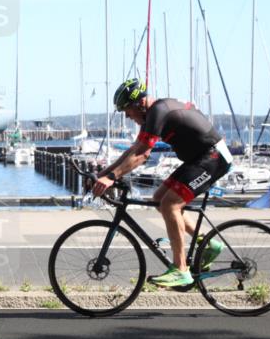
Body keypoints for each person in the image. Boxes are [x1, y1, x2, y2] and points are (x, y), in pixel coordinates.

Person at [92, 79, 233, 288]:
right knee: (159, 199)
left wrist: (112, 178)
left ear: (139, 104)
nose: (127, 116)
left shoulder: (158, 111)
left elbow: (141, 155)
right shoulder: (154, 113)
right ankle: (207, 243)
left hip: (213, 158)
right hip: (200, 158)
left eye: (127, 110)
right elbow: (133, 150)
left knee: (170, 204)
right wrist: (103, 173)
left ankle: (181, 270)